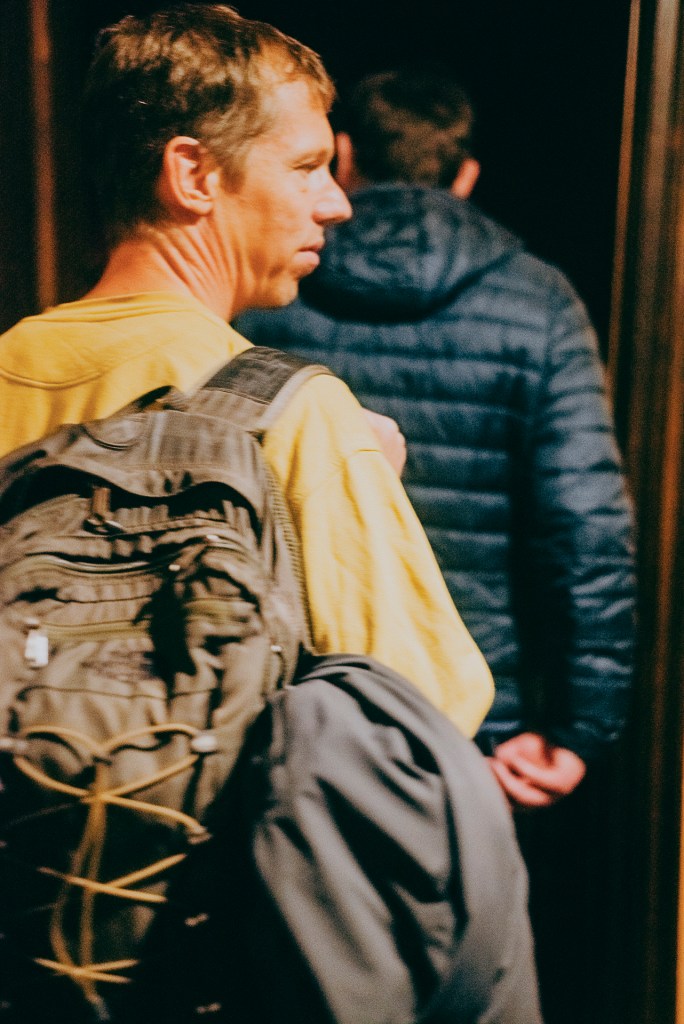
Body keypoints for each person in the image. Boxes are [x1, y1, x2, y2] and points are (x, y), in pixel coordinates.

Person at [236, 67, 637, 1022]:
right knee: (472, 978)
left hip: (302, 716)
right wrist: (578, 730)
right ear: (465, 175)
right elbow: (587, 526)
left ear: (344, 161)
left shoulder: (271, 289)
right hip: (479, 725)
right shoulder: (537, 300)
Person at [0, 14, 493, 738]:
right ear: (194, 175)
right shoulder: (297, 414)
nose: (336, 202)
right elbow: (428, 711)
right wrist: (364, 480)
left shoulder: (9, 369)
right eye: (305, 167)